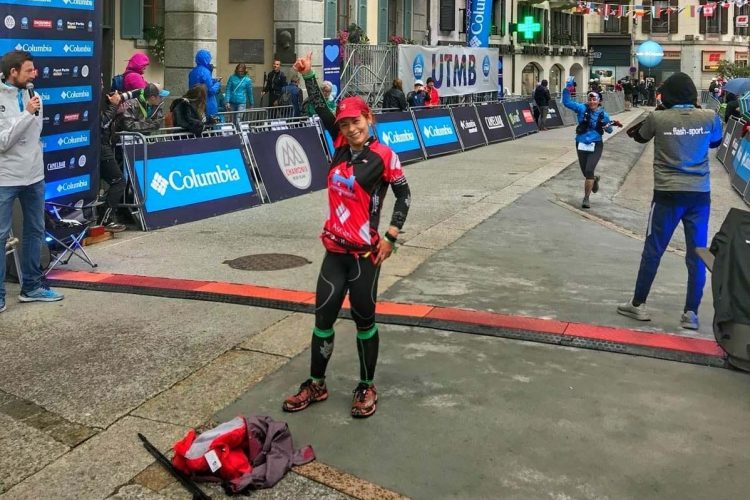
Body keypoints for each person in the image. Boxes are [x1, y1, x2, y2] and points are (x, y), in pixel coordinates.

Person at [283, 52, 411, 418]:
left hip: (365, 254)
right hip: (334, 249)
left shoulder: (385, 156)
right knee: (322, 318)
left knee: (364, 320)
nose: (351, 129)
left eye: (355, 122)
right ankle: (316, 383)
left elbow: (404, 194)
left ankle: (367, 387)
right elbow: (323, 109)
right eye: (345, 125)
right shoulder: (340, 147)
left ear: (368, 119)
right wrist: (308, 76)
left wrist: (391, 236)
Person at [618, 72, 723, 331]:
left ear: (666, 95)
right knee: (697, 254)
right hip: (700, 195)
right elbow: (715, 143)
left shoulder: (658, 117)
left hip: (667, 194)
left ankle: (638, 304)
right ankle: (691, 313)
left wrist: (661, 110)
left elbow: (638, 136)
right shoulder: (710, 117)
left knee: (653, 249)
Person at [0, 50, 65, 313]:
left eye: (34, 70)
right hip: (5, 178)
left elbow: (35, 135)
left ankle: (32, 287)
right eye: (29, 70)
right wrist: (26, 114)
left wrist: (30, 112)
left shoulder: (34, 97)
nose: (34, 74)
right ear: (13, 72)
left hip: (35, 177)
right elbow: (3, 142)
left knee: (35, 231)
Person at [562, 76, 621, 209]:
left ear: (599, 101)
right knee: (585, 172)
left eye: (594, 99)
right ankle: (594, 179)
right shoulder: (581, 108)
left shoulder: (604, 115)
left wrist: (607, 127)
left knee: (589, 170)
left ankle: (586, 198)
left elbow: (610, 130)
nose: (592, 101)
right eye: (590, 99)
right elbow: (566, 102)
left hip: (596, 144)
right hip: (581, 143)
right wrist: (567, 88)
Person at [99, 81, 127, 233]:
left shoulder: (101, 98)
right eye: (100, 82)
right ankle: (106, 219)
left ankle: (103, 217)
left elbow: (109, 122)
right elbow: (102, 123)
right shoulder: (93, 98)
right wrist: (114, 105)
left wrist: (117, 109)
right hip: (100, 147)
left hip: (104, 145)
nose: (103, 86)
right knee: (119, 180)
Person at [188, 49, 221, 120]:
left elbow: (200, 84)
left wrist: (213, 80)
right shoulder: (206, 72)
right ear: (206, 60)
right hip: (207, 103)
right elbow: (210, 90)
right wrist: (218, 83)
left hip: (195, 103)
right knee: (210, 127)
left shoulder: (192, 72)